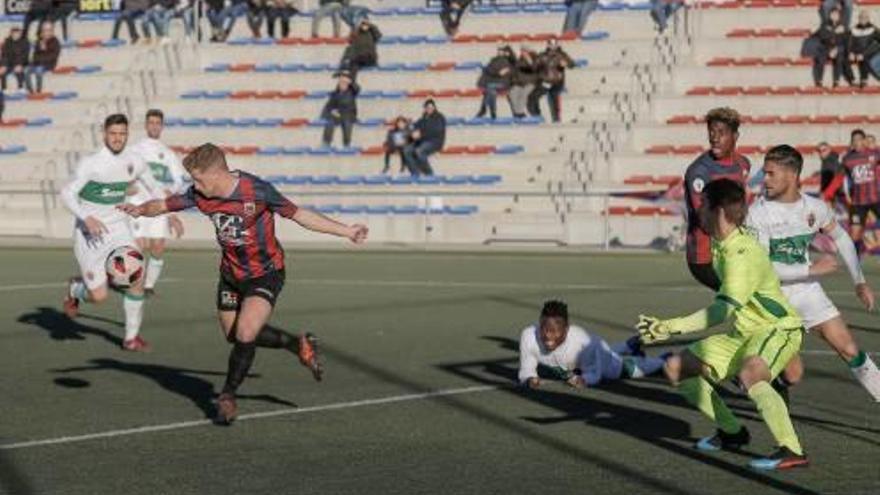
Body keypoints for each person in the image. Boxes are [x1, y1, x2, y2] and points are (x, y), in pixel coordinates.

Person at [118, 143, 369, 424]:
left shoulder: (256, 191)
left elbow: (301, 215)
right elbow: (164, 204)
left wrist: (347, 231)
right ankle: (297, 344)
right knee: (233, 335)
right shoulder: (201, 195)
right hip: (230, 274)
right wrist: (140, 209)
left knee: (247, 332)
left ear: (216, 175)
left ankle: (227, 395)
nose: (194, 186)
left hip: (265, 273)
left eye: (198, 179)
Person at [638, 179, 808, 471]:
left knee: (751, 373)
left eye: (702, 206)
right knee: (678, 367)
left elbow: (720, 311)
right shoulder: (722, 243)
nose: (697, 211)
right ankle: (732, 432)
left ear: (717, 212)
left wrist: (669, 327)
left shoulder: (741, 255)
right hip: (744, 334)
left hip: (776, 329)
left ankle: (791, 449)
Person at [746, 145, 880, 402]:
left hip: (807, 293)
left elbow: (842, 239)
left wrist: (859, 281)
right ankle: (772, 382)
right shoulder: (757, 214)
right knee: (794, 374)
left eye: (771, 173)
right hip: (771, 301)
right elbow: (762, 270)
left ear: (792, 175)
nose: (765, 179)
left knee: (850, 349)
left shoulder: (815, 208)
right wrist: (810, 269)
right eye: (765, 173)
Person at [61, 114, 169, 352]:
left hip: (119, 230)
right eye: (113, 133)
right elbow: (67, 193)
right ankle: (75, 289)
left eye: (122, 134)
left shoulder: (134, 160)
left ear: (127, 134)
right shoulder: (91, 163)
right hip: (90, 235)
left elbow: (155, 187)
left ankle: (131, 338)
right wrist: (86, 217)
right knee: (98, 297)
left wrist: (171, 210)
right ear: (104, 134)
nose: (118, 138)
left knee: (136, 277)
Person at [520, 300, 666, 390]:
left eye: (554, 332)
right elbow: (526, 370)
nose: (547, 336)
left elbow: (594, 375)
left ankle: (662, 360)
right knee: (602, 354)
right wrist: (529, 379)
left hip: (600, 355)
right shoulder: (529, 336)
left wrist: (583, 380)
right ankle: (628, 346)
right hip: (582, 361)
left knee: (623, 369)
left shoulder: (583, 343)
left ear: (566, 328)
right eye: (544, 329)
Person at [682, 107, 751, 292]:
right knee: (742, 297)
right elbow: (706, 219)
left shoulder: (743, 164)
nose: (714, 137)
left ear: (735, 136)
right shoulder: (699, 172)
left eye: (721, 132)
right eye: (711, 132)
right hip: (705, 257)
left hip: (734, 250)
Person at [127, 109, 187, 296]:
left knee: (158, 247)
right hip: (138, 203)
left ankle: (149, 286)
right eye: (150, 122)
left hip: (158, 206)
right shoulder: (135, 150)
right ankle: (134, 282)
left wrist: (173, 190)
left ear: (161, 126)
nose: (154, 126)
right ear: (146, 125)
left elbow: (179, 180)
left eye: (157, 123)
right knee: (139, 245)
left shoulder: (167, 153)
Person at [823, 129, 880, 255]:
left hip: (876, 199)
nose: (857, 143)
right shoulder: (848, 159)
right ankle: (855, 261)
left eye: (859, 140)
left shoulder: (875, 154)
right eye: (854, 140)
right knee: (855, 233)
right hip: (858, 202)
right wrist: (827, 194)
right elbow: (839, 178)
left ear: (864, 141)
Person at [528, 38, 574, 123]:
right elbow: (534, 67)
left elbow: (572, 64)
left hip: (557, 82)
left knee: (554, 96)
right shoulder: (543, 55)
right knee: (532, 97)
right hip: (545, 81)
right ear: (548, 45)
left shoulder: (562, 55)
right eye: (551, 44)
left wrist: (566, 64)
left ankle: (556, 119)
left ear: (557, 45)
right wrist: (534, 60)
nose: (553, 46)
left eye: (554, 44)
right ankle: (537, 116)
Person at [812, 7, 854, 87]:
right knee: (820, 58)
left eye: (836, 14)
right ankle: (819, 81)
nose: (835, 16)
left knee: (840, 57)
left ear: (839, 16)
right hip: (826, 49)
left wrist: (837, 49)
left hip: (838, 49)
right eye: (833, 14)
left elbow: (846, 41)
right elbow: (822, 37)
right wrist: (830, 49)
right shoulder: (825, 25)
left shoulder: (844, 27)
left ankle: (836, 81)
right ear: (830, 15)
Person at [404, 99, 446, 177]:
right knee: (407, 150)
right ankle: (415, 173)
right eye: (427, 107)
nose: (429, 109)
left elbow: (435, 131)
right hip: (423, 141)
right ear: (425, 108)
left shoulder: (439, 117)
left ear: (434, 107)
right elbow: (416, 126)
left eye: (431, 107)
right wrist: (410, 126)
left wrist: (420, 134)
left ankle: (429, 173)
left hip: (434, 142)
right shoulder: (424, 118)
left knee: (419, 151)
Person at [321, 71, 359, 148]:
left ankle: (347, 144)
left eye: (344, 83)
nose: (342, 84)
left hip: (348, 114)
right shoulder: (335, 94)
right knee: (329, 122)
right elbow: (328, 107)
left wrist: (349, 81)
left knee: (347, 123)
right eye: (341, 82)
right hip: (338, 115)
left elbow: (357, 88)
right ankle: (326, 143)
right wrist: (331, 112)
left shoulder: (352, 92)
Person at [476, 45, 514, 120]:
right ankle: (492, 112)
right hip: (494, 82)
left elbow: (502, 73)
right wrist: (496, 72)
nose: (499, 52)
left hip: (503, 83)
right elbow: (489, 70)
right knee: (491, 92)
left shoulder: (508, 61)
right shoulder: (493, 60)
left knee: (489, 88)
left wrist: (496, 72)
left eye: (501, 50)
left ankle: (484, 110)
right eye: (499, 50)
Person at [25, 22, 61, 94]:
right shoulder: (39, 41)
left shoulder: (55, 42)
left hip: (49, 64)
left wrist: (43, 50)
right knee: (26, 70)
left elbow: (53, 56)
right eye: (44, 30)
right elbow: (35, 55)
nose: (46, 33)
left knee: (39, 70)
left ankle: (39, 91)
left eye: (48, 30)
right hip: (37, 63)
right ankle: (30, 91)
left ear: (52, 32)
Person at [849, 10, 880, 87]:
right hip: (859, 54)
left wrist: (863, 54)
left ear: (868, 19)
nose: (863, 19)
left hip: (872, 52)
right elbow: (850, 43)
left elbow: (877, 44)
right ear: (858, 19)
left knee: (866, 58)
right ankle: (861, 80)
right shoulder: (854, 30)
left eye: (865, 17)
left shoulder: (874, 29)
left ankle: (864, 79)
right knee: (860, 57)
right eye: (861, 17)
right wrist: (851, 52)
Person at [509, 45, 538, 119]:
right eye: (522, 51)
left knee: (523, 94)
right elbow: (516, 72)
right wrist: (514, 82)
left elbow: (535, 69)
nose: (523, 52)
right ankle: (517, 112)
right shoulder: (519, 60)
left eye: (525, 51)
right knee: (512, 93)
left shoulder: (535, 58)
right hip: (519, 82)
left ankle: (520, 113)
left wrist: (529, 61)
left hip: (530, 82)